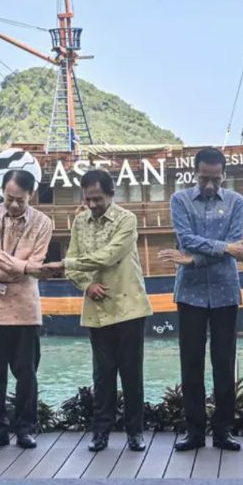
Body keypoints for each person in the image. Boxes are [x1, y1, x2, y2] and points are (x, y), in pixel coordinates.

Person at [42, 170, 153, 453]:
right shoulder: (79, 221)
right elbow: (75, 262)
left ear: (111, 195)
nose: (92, 205)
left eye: (98, 199)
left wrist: (66, 265)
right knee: (102, 375)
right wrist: (86, 284)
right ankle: (100, 433)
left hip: (129, 307)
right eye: (88, 199)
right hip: (97, 307)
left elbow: (111, 255)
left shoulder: (127, 220)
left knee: (132, 374)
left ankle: (135, 432)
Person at [157, 147, 243, 453]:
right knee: (191, 364)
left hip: (226, 293)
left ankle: (224, 431)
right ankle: (194, 432)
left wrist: (193, 260)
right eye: (204, 178)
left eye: (215, 179)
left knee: (224, 364)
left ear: (223, 174)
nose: (209, 185)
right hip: (190, 295)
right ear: (194, 173)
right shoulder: (180, 200)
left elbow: (231, 242)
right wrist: (225, 250)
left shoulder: (237, 202)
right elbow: (186, 240)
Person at [0, 170, 53, 450]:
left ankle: (26, 428)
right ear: (2, 193)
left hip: (25, 307)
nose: (14, 205)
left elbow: (38, 260)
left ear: (31, 195)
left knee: (26, 372)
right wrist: (25, 268)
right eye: (9, 198)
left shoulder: (44, 223)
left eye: (20, 200)